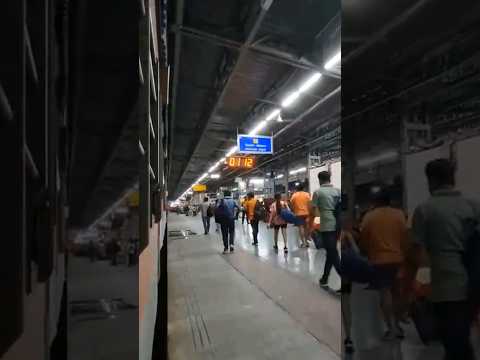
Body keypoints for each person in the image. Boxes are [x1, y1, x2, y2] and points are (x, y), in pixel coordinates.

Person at [411, 158, 479, 360]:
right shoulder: (473, 206)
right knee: (461, 338)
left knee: (454, 343)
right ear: (453, 178)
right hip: (474, 283)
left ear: (431, 180)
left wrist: (418, 285)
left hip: (445, 287)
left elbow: (419, 254)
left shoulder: (425, 210)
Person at [359, 186, 409, 341]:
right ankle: (399, 325)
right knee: (398, 293)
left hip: (379, 260)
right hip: (399, 259)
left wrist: (367, 253)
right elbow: (406, 237)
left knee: (385, 293)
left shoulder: (369, 217)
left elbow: (364, 240)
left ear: (374, 201)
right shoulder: (399, 215)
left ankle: (392, 328)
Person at [312, 171, 341, 288]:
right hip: (338, 224)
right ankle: (324, 279)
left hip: (327, 224)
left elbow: (314, 211)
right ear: (329, 179)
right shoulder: (338, 191)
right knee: (331, 252)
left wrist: (315, 225)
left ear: (320, 180)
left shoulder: (318, 192)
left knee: (333, 253)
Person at [290, 183, 311, 248]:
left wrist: (293, 210)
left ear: (297, 189)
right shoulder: (307, 194)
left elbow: (291, 204)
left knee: (301, 228)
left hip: (298, 213)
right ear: (303, 188)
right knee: (306, 228)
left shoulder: (294, 195)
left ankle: (303, 242)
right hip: (307, 213)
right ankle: (307, 241)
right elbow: (310, 203)